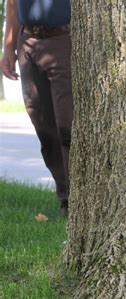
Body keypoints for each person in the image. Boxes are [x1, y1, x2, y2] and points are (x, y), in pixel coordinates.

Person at [1, 0, 73, 216]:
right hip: (28, 41)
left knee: (67, 126)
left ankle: (77, 199)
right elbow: (13, 3)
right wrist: (8, 47)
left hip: (63, 40)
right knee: (43, 125)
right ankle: (65, 195)